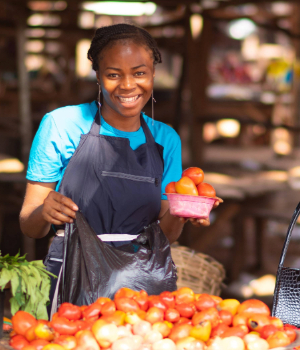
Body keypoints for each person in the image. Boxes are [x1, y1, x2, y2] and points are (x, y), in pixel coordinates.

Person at [17, 24, 214, 305]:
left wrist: (181, 212)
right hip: (74, 277)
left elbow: (166, 234)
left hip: (144, 285)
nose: (128, 85)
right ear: (97, 76)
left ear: (153, 74)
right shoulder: (61, 125)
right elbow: (29, 225)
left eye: (139, 73)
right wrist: (44, 212)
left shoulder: (165, 139)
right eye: (113, 74)